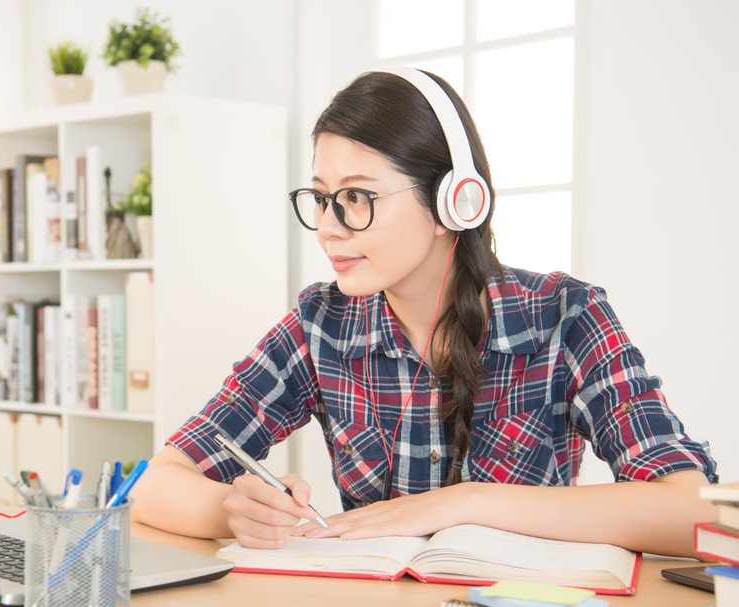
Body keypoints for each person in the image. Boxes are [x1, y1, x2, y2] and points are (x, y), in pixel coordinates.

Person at [130, 68, 718, 558]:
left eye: (358, 198)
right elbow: (156, 484)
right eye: (322, 199)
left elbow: (693, 509)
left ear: (453, 204)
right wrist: (233, 510)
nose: (330, 228)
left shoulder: (567, 315)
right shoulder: (320, 325)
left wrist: (462, 502)